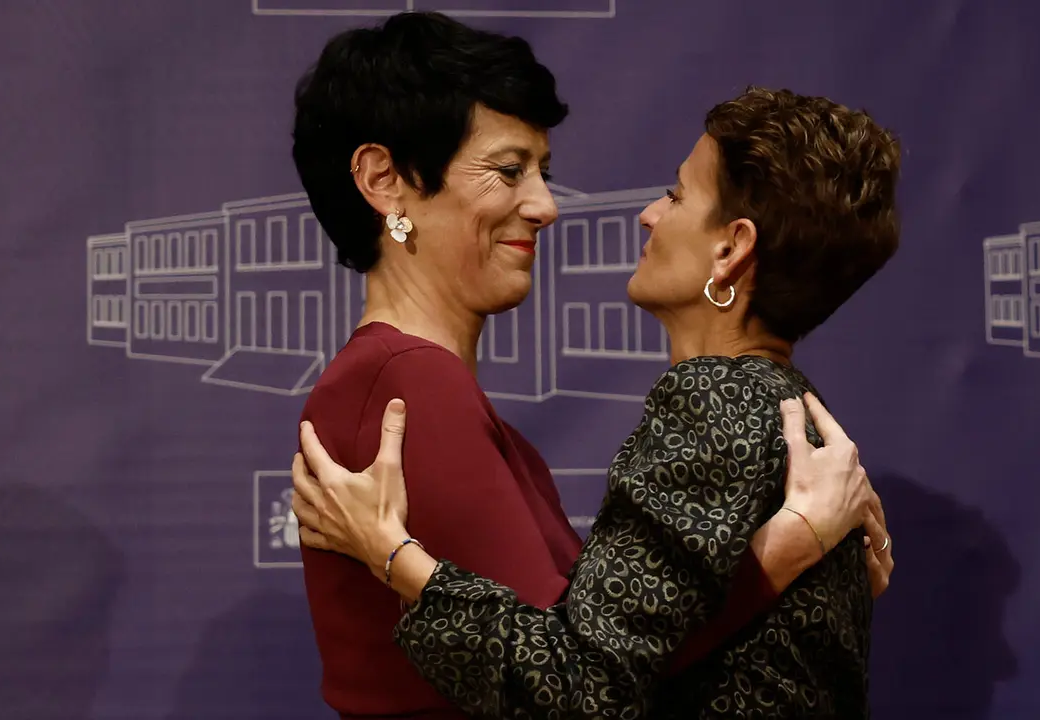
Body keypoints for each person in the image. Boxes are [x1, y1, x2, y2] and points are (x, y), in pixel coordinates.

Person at [287, 12, 893, 719]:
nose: (544, 205)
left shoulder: (454, 406)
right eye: (510, 170)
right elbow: (579, 688)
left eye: (543, 173)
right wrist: (783, 553)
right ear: (383, 180)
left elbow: (602, 663)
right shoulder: (403, 386)